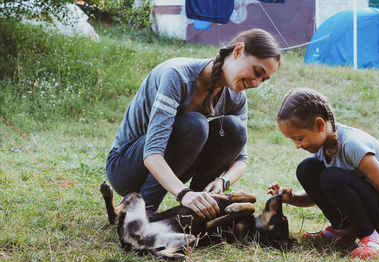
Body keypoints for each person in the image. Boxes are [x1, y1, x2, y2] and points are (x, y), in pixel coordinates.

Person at [106, 29, 281, 219]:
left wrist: (223, 182)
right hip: (126, 167)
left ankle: (202, 205)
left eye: (263, 79)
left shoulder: (236, 98)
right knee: (195, 125)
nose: (256, 83)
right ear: (238, 51)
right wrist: (183, 193)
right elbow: (152, 152)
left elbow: (242, 159)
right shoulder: (177, 76)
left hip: (168, 169)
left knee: (235, 129)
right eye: (257, 72)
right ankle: (142, 212)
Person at [267, 88, 379, 259]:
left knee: (331, 176)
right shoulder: (321, 147)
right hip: (360, 209)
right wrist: (292, 198)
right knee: (306, 168)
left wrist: (351, 182)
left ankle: (371, 236)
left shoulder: (352, 145)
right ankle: (343, 231)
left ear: (319, 125)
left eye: (299, 138)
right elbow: (325, 192)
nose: (297, 145)